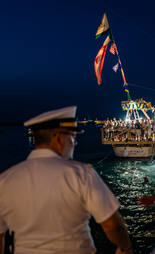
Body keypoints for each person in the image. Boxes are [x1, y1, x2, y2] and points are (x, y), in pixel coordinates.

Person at [0, 106, 132, 254]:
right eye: (73, 137)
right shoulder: (81, 174)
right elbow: (112, 224)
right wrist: (125, 248)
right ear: (58, 138)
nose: (75, 143)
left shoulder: (5, 180)